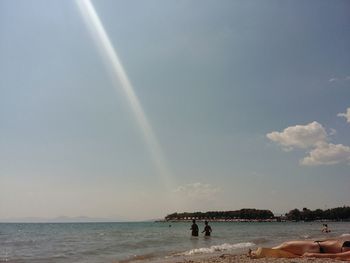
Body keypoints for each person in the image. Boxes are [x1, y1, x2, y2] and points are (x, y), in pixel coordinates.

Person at [249, 239, 350, 260]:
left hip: (316, 248)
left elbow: (341, 256)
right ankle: (259, 253)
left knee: (285, 245)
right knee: (285, 251)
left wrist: (315, 255)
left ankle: (258, 253)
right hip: (317, 245)